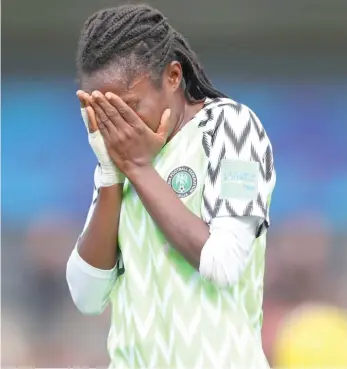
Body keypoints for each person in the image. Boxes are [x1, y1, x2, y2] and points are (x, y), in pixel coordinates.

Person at [66, 4, 276, 369]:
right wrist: (111, 174)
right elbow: (86, 296)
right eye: (104, 112)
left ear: (173, 76)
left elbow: (222, 263)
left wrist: (137, 167)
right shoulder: (123, 159)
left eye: (130, 106)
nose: (120, 124)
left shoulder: (232, 127)